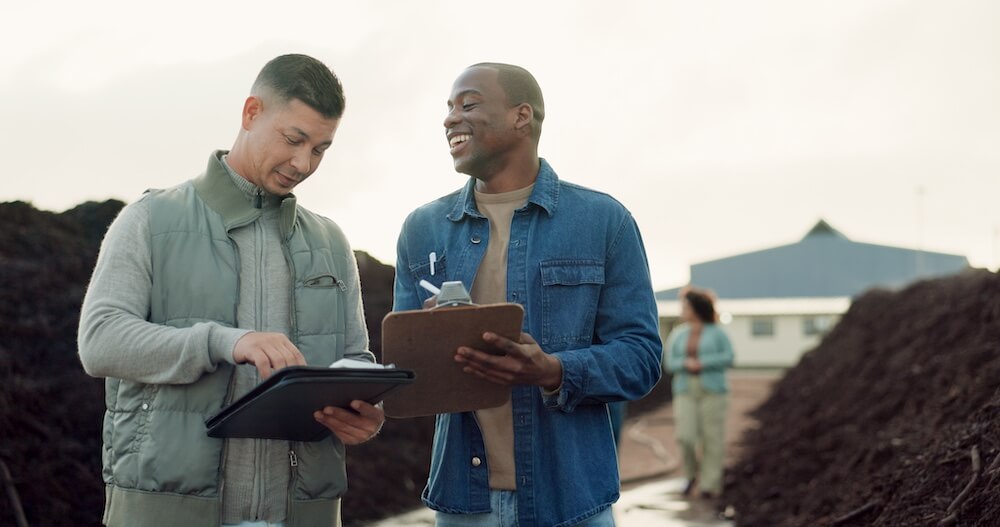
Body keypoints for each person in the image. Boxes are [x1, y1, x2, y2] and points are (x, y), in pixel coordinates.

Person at [77, 54, 383, 527]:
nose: (303, 163)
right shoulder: (150, 220)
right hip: (166, 514)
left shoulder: (330, 242)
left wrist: (365, 411)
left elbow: (355, 359)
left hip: (305, 514)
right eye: (293, 139)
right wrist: (223, 341)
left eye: (320, 149)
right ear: (251, 112)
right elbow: (100, 341)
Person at [392, 63, 663, 527]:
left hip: (572, 502)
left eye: (468, 104)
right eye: (449, 107)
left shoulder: (604, 221)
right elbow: (406, 373)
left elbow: (641, 358)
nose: (450, 118)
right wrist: (432, 346)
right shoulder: (423, 229)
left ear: (521, 116)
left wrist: (554, 371)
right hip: (464, 505)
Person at [664, 287, 734, 500]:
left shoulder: (717, 332)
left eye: (685, 306)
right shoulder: (678, 334)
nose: (682, 310)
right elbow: (670, 362)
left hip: (713, 391)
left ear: (696, 308)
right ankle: (690, 475)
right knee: (685, 436)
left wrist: (703, 363)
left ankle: (709, 484)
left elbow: (729, 357)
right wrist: (685, 364)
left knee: (712, 438)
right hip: (685, 390)